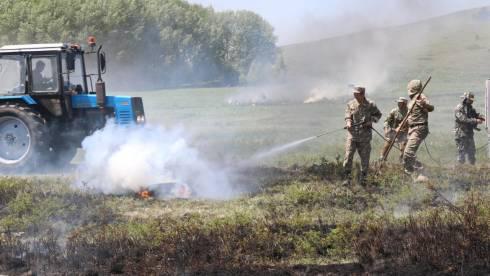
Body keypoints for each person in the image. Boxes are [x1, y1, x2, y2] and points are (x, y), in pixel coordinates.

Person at [343, 86, 382, 185]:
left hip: (365, 137)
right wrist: (348, 122)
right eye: (354, 93)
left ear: (362, 94)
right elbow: (347, 115)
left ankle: (363, 179)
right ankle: (347, 178)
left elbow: (378, 115)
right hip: (352, 135)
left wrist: (371, 121)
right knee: (348, 157)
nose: (354, 95)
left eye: (357, 94)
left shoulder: (371, 104)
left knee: (365, 159)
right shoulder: (350, 103)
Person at [402, 79, 434, 175]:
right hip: (412, 129)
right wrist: (401, 126)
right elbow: (409, 116)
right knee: (406, 153)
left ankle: (421, 173)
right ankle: (413, 174)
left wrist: (424, 104)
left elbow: (431, 108)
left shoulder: (421, 97)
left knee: (408, 153)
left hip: (419, 128)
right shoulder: (411, 101)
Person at [454, 92, 484, 165]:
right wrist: (475, 120)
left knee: (472, 151)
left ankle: (472, 167)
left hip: (469, 133)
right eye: (470, 100)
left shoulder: (470, 107)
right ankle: (461, 169)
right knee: (462, 151)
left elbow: (474, 114)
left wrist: (480, 116)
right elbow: (463, 119)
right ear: (466, 99)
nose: (472, 101)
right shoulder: (459, 108)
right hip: (461, 133)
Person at [379, 97, 408, 162]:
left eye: (400, 103)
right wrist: (386, 128)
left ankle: (402, 161)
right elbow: (387, 121)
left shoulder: (409, 112)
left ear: (404, 104)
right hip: (393, 131)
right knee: (388, 141)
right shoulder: (394, 111)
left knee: (403, 146)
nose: (398, 104)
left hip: (404, 133)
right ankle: (382, 157)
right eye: (398, 103)